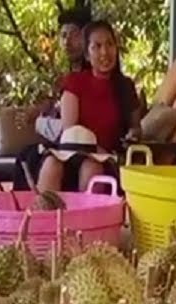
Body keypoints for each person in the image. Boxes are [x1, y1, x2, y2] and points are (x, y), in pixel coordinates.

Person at [36, 19, 142, 193]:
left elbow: (136, 127)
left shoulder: (125, 86)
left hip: (105, 156)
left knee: (92, 168)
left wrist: (134, 134)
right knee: (51, 164)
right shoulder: (75, 82)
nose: (105, 52)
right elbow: (70, 130)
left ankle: (87, 219)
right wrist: (91, 148)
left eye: (109, 44)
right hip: (72, 150)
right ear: (87, 55)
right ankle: (43, 218)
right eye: (97, 46)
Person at [14, 6, 91, 190]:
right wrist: (42, 109)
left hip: (80, 146)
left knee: (33, 156)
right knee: (27, 154)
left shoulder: (90, 76)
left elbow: (69, 127)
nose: (67, 41)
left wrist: (39, 122)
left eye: (74, 34)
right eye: (63, 36)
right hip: (65, 142)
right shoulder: (67, 77)